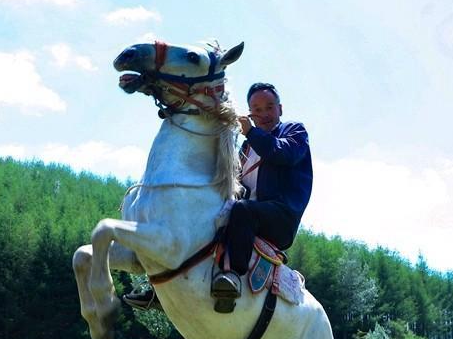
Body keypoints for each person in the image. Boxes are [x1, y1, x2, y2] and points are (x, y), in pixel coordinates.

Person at [124, 82, 313, 313]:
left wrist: (251, 132)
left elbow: (283, 154)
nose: (264, 114)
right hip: (247, 215)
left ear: (280, 109)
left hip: (281, 216)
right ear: (250, 112)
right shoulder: (247, 147)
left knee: (242, 210)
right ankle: (162, 289)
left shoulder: (294, 131)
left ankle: (232, 275)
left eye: (269, 107)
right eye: (257, 109)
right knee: (207, 214)